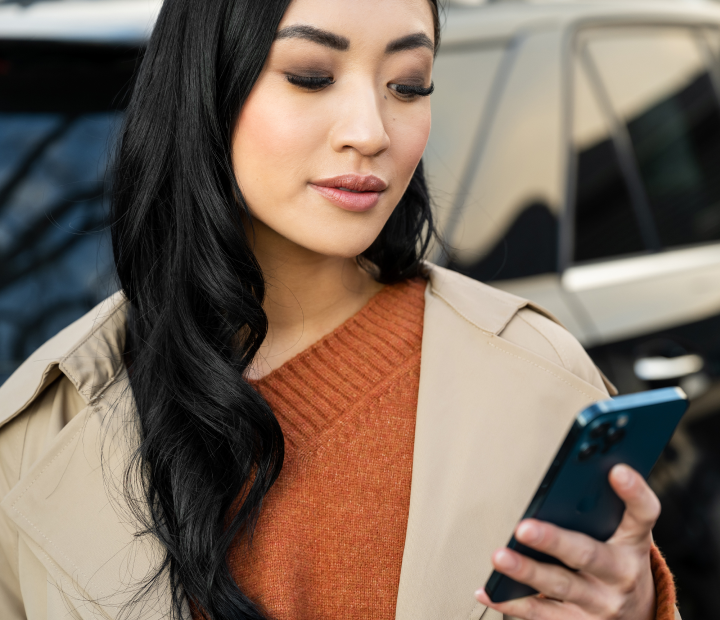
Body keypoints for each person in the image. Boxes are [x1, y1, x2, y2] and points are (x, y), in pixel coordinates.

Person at [0, 1, 678, 619]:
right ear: (206, 85)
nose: (370, 131)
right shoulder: (37, 430)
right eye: (311, 75)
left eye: (408, 84)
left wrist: (638, 608)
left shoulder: (537, 380)